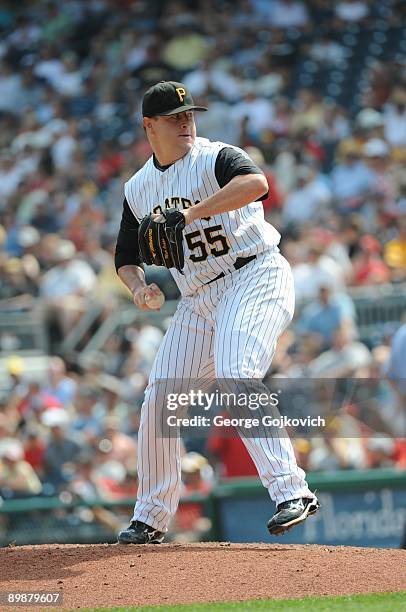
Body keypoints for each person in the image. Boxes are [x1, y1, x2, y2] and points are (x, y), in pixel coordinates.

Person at [115, 81, 319, 544]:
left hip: (254, 274)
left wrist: (188, 215)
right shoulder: (138, 188)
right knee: (160, 400)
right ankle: (151, 516)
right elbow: (124, 255)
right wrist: (139, 286)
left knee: (235, 371)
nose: (186, 122)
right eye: (174, 118)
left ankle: (292, 490)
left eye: (189, 114)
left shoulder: (216, 156)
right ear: (150, 126)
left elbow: (257, 184)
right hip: (197, 300)